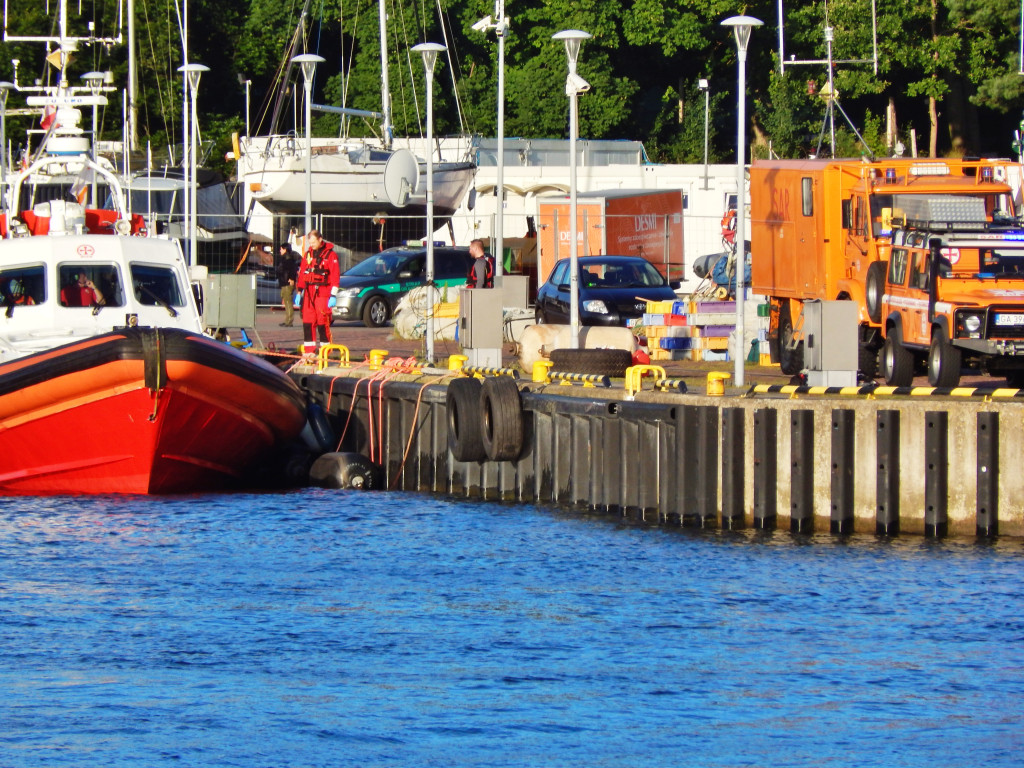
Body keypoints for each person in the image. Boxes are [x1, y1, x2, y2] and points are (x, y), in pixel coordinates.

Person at [295, 229, 340, 357]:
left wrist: (333, 295)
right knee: (308, 322)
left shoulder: (331, 256)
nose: (312, 245)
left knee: (322, 322)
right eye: (310, 242)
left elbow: (335, 277)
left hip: (323, 293)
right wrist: (299, 292)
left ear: (320, 239)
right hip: (309, 293)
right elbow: (303, 273)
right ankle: (309, 352)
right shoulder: (308, 255)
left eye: (314, 242)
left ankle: (325, 351)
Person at [277, 242, 299, 327]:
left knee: (288, 302)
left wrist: (291, 279)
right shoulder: (285, 258)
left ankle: (289, 321)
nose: (280, 250)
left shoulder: (288, 259)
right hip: (284, 282)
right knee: (286, 301)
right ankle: (287, 320)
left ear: (285, 249)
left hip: (287, 283)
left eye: (281, 249)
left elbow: (292, 270)